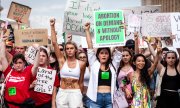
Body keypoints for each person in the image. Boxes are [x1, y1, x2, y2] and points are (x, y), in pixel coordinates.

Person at [50, 19, 86, 108]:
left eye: (71, 48)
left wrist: (79, 95)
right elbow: (54, 43)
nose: (69, 50)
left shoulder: (81, 63)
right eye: (67, 48)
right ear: (65, 50)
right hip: (62, 92)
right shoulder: (62, 61)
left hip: (75, 93)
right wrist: (52, 26)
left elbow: (81, 82)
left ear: (76, 50)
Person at [85, 22, 122, 108]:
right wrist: (87, 30)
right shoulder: (94, 64)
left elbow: (119, 51)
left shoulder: (113, 65)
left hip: (109, 98)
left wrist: (121, 32)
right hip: (95, 98)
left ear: (109, 55)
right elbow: (90, 47)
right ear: (98, 55)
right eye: (102, 53)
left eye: (106, 53)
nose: (104, 55)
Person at [0, 35, 40, 108]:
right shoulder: (9, 71)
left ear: (24, 63)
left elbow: (36, 66)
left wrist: (38, 50)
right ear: (13, 64)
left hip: (23, 106)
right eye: (16, 63)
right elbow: (2, 57)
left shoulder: (28, 71)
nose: (18, 65)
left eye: (20, 63)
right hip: (9, 105)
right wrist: (2, 41)